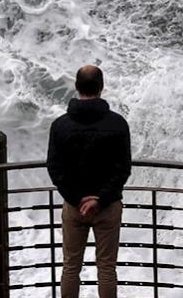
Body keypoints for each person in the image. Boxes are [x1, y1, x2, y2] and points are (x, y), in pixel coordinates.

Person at [45, 64, 132, 298]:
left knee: (71, 268)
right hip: (108, 205)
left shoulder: (60, 125)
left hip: (74, 207)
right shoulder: (117, 124)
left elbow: (54, 167)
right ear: (102, 88)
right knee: (106, 269)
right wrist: (100, 199)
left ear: (76, 87)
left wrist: (76, 198)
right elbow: (123, 168)